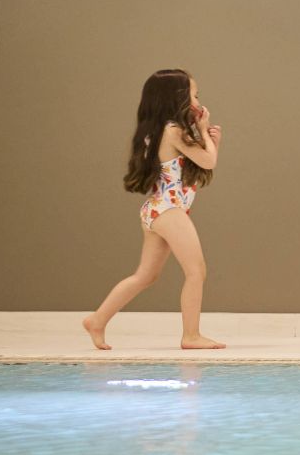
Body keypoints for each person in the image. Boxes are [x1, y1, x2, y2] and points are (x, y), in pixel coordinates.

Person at [82, 69, 223, 350]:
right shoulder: (174, 131)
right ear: (179, 98)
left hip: (156, 210)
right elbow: (208, 161)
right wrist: (207, 135)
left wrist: (208, 139)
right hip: (169, 211)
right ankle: (191, 336)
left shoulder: (162, 130)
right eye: (194, 95)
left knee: (145, 276)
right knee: (196, 272)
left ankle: (97, 320)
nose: (198, 101)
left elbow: (197, 165)